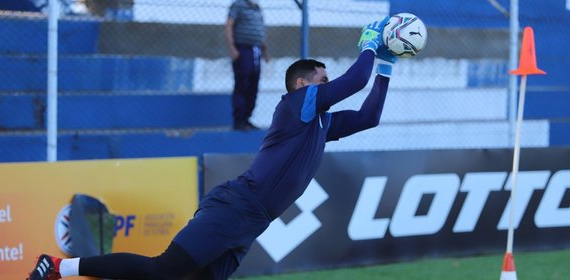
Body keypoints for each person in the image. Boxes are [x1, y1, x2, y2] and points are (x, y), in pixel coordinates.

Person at [28, 17, 397, 280]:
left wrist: (386, 63)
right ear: (302, 84)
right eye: (322, 78)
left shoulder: (321, 121)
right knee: (164, 270)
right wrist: (369, 42)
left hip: (253, 220)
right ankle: (59, 267)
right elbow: (354, 80)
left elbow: (369, 117)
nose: (328, 83)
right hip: (237, 206)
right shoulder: (296, 104)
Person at [224, 0, 270, 131]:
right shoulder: (238, 5)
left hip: (256, 50)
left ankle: (247, 119)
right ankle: (239, 120)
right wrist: (232, 48)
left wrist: (265, 51)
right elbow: (228, 26)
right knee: (242, 84)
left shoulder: (257, 8)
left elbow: (260, 30)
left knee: (253, 85)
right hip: (242, 49)